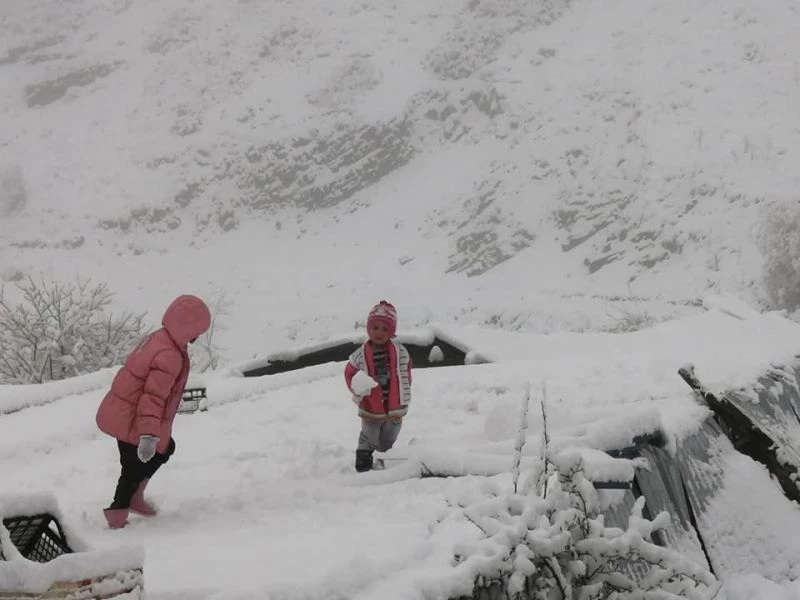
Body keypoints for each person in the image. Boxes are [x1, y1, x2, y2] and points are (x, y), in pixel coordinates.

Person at [96, 294, 211, 529]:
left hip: (124, 412)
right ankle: (117, 514)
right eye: (197, 331)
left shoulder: (160, 338)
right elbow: (153, 398)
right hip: (133, 419)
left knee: (163, 449)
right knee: (134, 466)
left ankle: (135, 497)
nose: (197, 337)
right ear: (188, 328)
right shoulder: (169, 356)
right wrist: (148, 435)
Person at [344, 300, 413, 472]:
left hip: (394, 402)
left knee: (391, 433)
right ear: (368, 329)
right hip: (371, 403)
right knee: (369, 433)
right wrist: (357, 387)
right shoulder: (360, 355)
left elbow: (406, 373)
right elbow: (349, 372)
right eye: (375, 328)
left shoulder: (400, 352)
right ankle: (364, 458)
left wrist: (404, 393)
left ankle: (385, 455)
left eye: (384, 329)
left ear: (392, 331)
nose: (379, 333)